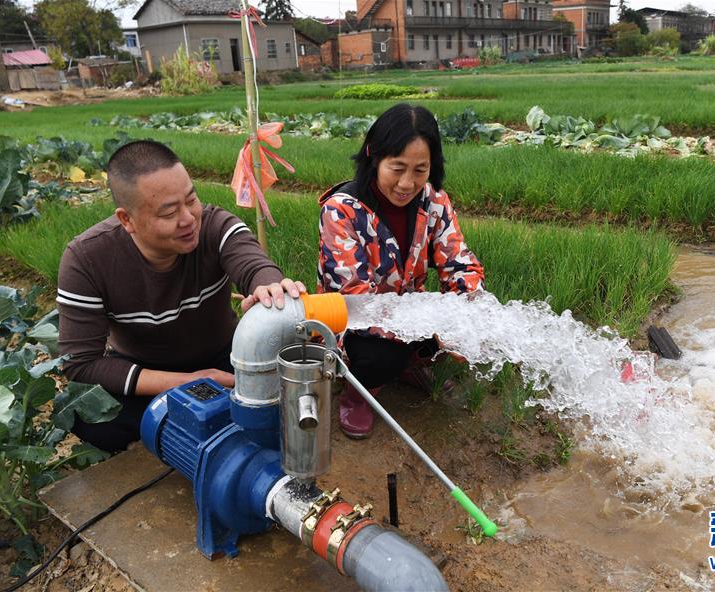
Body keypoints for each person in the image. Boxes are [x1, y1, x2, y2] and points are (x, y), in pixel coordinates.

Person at [57, 140, 306, 453]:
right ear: (127, 219)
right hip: (145, 372)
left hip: (224, 360)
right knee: (91, 417)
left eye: (191, 200)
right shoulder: (87, 259)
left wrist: (269, 285)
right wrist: (189, 381)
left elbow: (252, 262)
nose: (189, 219)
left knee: (281, 389)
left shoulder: (215, 226)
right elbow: (81, 363)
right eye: (169, 212)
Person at [317, 103, 485, 439]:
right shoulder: (342, 212)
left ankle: (411, 363)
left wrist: (470, 305)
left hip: (411, 311)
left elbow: (459, 261)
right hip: (358, 326)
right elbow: (356, 302)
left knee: (460, 324)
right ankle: (360, 391)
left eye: (420, 170)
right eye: (397, 168)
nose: (407, 184)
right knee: (380, 356)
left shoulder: (434, 201)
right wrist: (426, 322)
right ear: (373, 156)